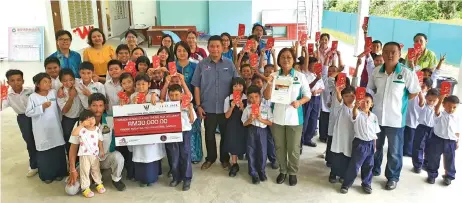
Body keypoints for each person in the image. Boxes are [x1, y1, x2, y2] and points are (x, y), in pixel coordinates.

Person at [368, 42, 421, 190]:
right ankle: (374, 168)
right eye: (386, 52)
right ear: (382, 54)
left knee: (395, 151)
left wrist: (401, 102)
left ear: (399, 53)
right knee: (375, 147)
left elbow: (414, 91)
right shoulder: (376, 71)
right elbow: (371, 90)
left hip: (396, 119)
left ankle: (392, 177)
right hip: (376, 117)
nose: (389, 55)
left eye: (393, 52)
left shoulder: (406, 73)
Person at [263, 48, 311, 186]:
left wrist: (299, 102)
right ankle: (283, 171)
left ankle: (292, 172)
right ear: (279, 60)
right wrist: (269, 83)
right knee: (279, 146)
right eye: (283, 57)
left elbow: (308, 95)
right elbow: (267, 96)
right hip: (277, 117)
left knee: (293, 148)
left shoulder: (300, 76)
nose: (286, 59)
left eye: (289, 57)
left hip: (294, 118)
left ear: (293, 59)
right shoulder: (274, 75)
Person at [191, 35, 239, 170]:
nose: (215, 49)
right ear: (208, 48)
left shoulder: (229, 64)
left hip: (225, 109)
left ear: (223, 47)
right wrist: (198, 106)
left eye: (218, 46)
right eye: (212, 46)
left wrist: (234, 103)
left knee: (225, 135)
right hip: (208, 107)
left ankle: (225, 159)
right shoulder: (202, 64)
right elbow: (196, 86)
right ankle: (210, 158)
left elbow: (236, 84)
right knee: (209, 135)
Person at [67, 93, 127, 192]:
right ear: (89, 107)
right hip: (86, 160)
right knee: (70, 190)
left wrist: (124, 106)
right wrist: (72, 169)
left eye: (100, 105)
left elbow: (127, 122)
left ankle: (116, 179)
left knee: (118, 157)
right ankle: (91, 178)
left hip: (104, 158)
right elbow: (73, 148)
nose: (97, 109)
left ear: (105, 107)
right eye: (94, 105)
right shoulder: (80, 124)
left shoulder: (110, 120)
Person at [26, 73, 67, 183]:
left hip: (55, 127)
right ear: (37, 84)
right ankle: (47, 175)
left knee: (58, 150)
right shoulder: (33, 97)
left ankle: (60, 173)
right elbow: (28, 113)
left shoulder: (53, 93)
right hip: (41, 130)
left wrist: (62, 89)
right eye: (45, 82)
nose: (48, 84)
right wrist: (41, 107)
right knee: (45, 152)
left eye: (49, 81)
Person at [128, 74, 164, 187]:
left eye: (143, 84)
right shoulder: (133, 96)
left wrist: (157, 98)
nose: (141, 86)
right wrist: (132, 103)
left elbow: (160, 110)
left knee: (151, 153)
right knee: (139, 153)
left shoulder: (153, 96)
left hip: (151, 131)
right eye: (138, 84)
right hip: (138, 131)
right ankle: (141, 178)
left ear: (149, 84)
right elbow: (128, 113)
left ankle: (152, 177)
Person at [340, 93, 380, 194]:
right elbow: (354, 114)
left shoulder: (374, 117)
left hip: (370, 143)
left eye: (368, 102)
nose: (365, 104)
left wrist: (374, 146)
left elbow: (374, 133)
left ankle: (366, 183)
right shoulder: (357, 114)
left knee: (369, 165)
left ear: (371, 104)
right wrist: (355, 107)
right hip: (360, 144)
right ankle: (346, 184)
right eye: (363, 101)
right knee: (354, 165)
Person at [0, 70, 38, 177]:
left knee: (40, 139)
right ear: (8, 83)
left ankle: (44, 162)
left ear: (23, 80)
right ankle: (34, 166)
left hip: (36, 115)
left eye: (18, 80)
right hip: (23, 118)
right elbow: (2, 107)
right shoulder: (8, 95)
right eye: (12, 80)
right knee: (29, 141)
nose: (16, 82)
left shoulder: (31, 89)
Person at [173, 41, 202, 163]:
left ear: (188, 52)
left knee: (193, 128)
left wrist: (197, 103)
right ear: (175, 52)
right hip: (175, 103)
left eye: (184, 50)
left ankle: (195, 155)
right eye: (179, 50)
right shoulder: (172, 66)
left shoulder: (195, 66)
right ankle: (180, 157)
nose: (182, 53)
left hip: (191, 102)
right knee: (178, 129)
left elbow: (197, 86)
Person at [165, 84, 196, 191]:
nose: (174, 97)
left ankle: (187, 178)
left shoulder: (186, 105)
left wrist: (190, 109)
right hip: (171, 134)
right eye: (172, 95)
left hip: (185, 132)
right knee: (174, 157)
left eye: (177, 95)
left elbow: (192, 120)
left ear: (181, 94)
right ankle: (176, 177)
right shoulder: (166, 106)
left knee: (185, 155)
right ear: (168, 96)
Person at [70, 110, 106, 198]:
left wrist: (101, 150)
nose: (91, 121)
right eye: (88, 120)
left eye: (92, 118)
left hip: (95, 155)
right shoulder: (82, 130)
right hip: (84, 155)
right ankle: (85, 188)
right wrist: (82, 125)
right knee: (85, 171)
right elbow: (74, 133)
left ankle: (99, 183)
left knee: (96, 169)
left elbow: (99, 141)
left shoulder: (97, 129)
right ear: (82, 122)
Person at [242, 85, 273, 184]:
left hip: (263, 131)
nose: (254, 99)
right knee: (251, 151)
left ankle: (261, 171)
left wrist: (261, 119)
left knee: (262, 151)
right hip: (251, 130)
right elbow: (244, 123)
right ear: (248, 98)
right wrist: (250, 120)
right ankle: (253, 173)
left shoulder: (266, 108)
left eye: (256, 97)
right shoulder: (247, 109)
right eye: (251, 97)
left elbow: (271, 122)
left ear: (260, 96)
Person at [426, 95, 459, 185]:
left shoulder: (457, 117)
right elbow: (436, 110)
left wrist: (457, 141)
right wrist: (440, 99)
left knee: (450, 160)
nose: (451, 109)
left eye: (454, 107)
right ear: (444, 105)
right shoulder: (439, 114)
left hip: (451, 141)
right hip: (437, 140)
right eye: (449, 106)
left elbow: (457, 130)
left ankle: (449, 176)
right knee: (434, 158)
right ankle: (432, 175)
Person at [328, 86, 355, 183]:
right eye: (346, 96)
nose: (349, 98)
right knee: (337, 155)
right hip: (339, 136)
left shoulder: (356, 108)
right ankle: (333, 173)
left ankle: (344, 174)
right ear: (342, 97)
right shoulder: (340, 106)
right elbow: (339, 98)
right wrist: (338, 91)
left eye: (352, 96)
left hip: (350, 137)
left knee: (347, 155)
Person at [412, 88, 440, 173]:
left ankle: (426, 163)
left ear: (438, 100)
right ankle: (417, 165)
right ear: (426, 97)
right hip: (422, 128)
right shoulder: (423, 104)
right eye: (429, 100)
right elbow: (421, 99)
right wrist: (419, 90)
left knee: (430, 147)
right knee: (418, 146)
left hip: (433, 129)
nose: (431, 102)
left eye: (434, 101)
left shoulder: (438, 108)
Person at [224, 77, 248, 177]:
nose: (238, 88)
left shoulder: (247, 98)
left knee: (245, 141)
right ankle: (234, 164)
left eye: (240, 85)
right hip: (232, 124)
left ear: (244, 86)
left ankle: (251, 162)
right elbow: (226, 116)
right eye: (235, 86)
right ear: (232, 87)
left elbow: (248, 116)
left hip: (244, 125)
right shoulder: (228, 98)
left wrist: (243, 108)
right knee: (233, 142)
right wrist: (232, 106)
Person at [404, 78, 433, 157]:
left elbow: (422, 102)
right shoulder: (413, 92)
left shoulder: (424, 96)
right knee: (405, 138)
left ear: (428, 88)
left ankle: (409, 152)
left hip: (414, 122)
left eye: (423, 86)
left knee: (410, 140)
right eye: (420, 85)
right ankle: (405, 150)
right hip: (406, 119)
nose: (421, 87)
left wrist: (418, 89)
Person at [57, 69, 83, 155]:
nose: (68, 83)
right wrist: (71, 97)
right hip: (69, 120)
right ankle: (72, 162)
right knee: (69, 141)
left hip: (81, 118)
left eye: (71, 79)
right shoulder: (60, 94)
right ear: (61, 81)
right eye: (65, 81)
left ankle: (81, 162)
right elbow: (64, 110)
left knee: (82, 140)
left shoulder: (78, 83)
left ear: (74, 79)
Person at [301, 56, 324, 147]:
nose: (315, 67)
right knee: (306, 119)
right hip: (308, 98)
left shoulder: (317, 74)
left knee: (314, 119)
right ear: (309, 65)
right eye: (313, 65)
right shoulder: (305, 75)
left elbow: (322, 88)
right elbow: (307, 87)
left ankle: (308, 139)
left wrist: (317, 91)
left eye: (316, 65)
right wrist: (316, 79)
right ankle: (301, 140)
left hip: (316, 98)